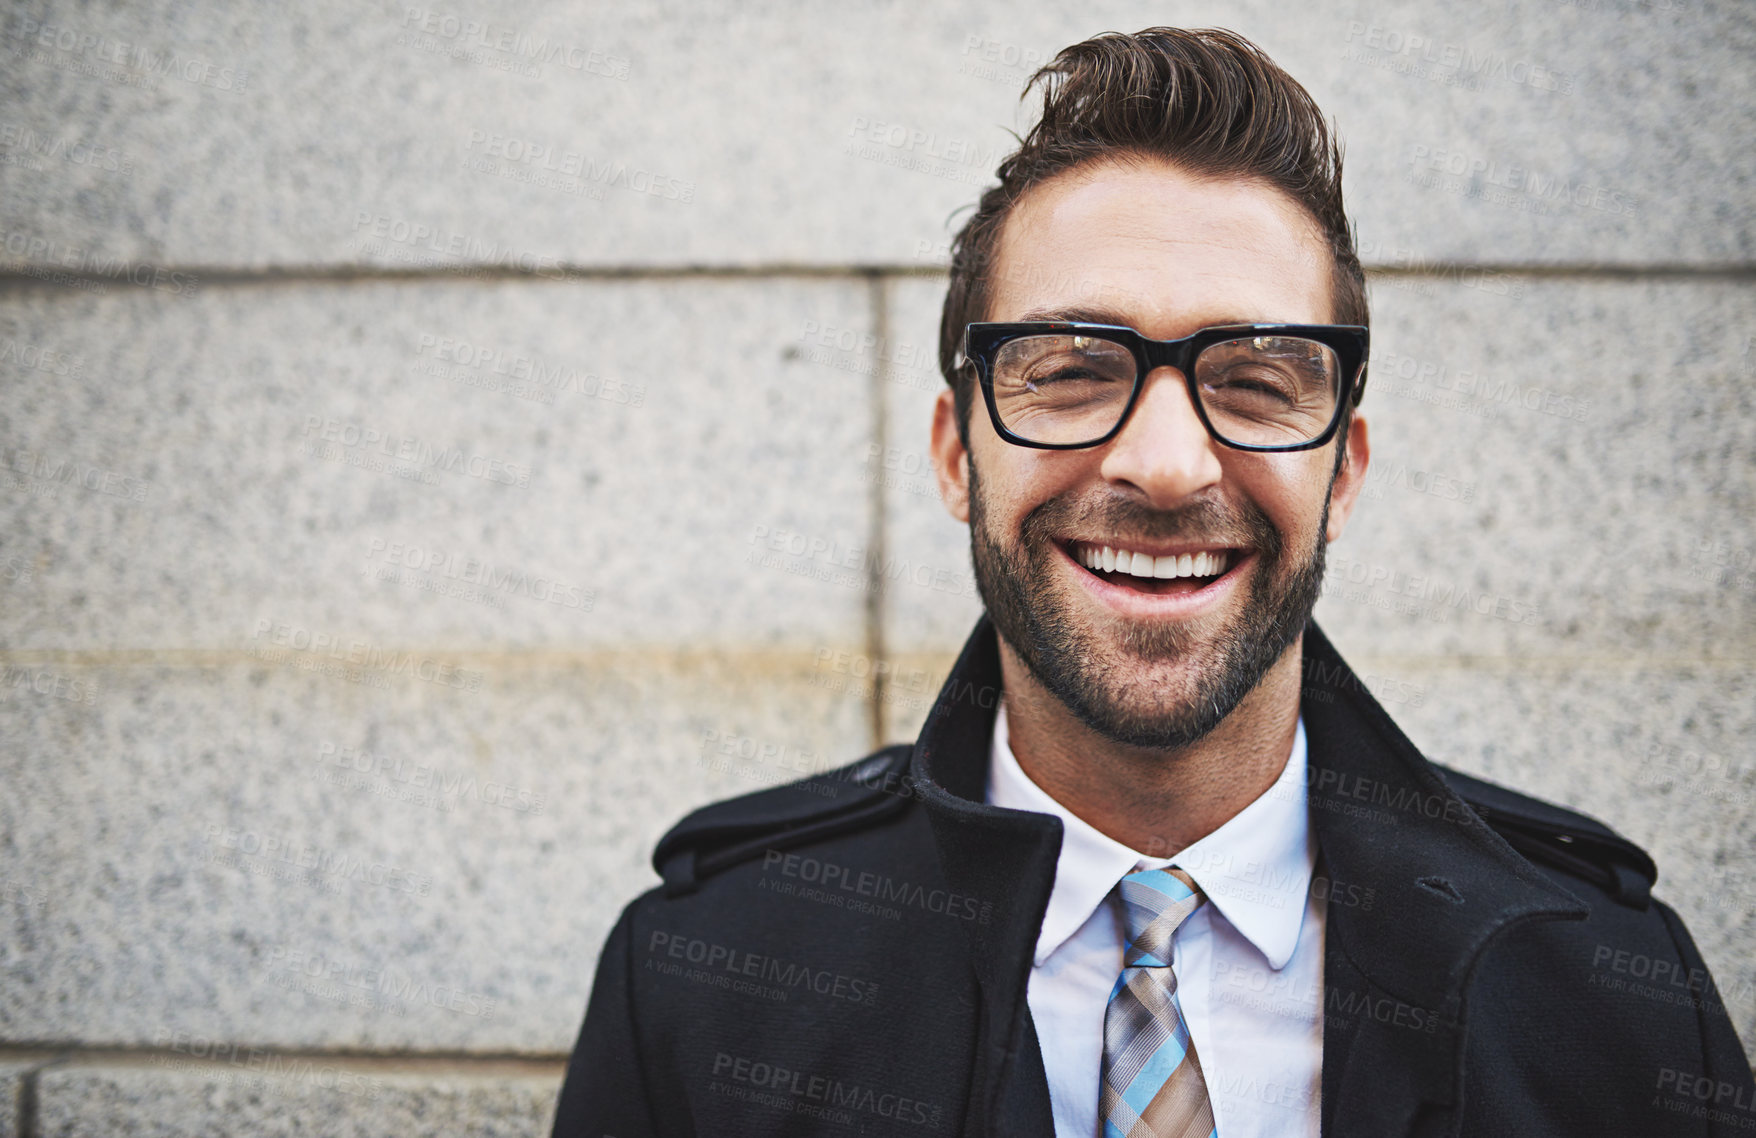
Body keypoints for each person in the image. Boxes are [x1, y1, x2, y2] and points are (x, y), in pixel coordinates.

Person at [552, 27, 1754, 1137]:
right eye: (1072, 370)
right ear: (954, 454)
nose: (1168, 465)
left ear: (1342, 471)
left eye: (1257, 377)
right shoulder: (703, 984)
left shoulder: (1613, 998)